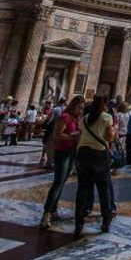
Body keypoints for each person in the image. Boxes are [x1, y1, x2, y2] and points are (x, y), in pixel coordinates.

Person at [40, 95, 84, 229]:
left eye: (82, 109)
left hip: (71, 152)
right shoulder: (65, 117)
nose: (80, 111)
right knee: (58, 182)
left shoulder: (77, 119)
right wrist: (73, 137)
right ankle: (46, 213)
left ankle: (53, 209)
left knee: (63, 180)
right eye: (79, 108)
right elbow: (57, 135)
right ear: (73, 106)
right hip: (62, 152)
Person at [74, 95, 115, 238]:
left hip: (83, 154)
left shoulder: (85, 118)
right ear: (104, 105)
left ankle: (78, 222)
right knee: (103, 189)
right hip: (98, 154)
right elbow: (109, 138)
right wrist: (113, 132)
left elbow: (80, 136)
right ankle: (106, 221)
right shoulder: (106, 117)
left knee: (82, 189)